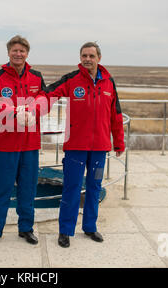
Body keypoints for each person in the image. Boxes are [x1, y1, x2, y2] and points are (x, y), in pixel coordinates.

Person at [41, 42, 125, 248]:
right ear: (80, 58)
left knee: (94, 187)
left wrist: (119, 142)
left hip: (99, 149)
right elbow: (49, 93)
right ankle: (65, 231)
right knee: (72, 188)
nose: (87, 59)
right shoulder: (72, 79)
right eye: (84, 55)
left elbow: (116, 114)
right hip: (76, 147)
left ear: (99, 58)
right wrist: (36, 107)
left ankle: (90, 227)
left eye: (91, 55)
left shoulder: (108, 82)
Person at [0, 35, 47, 246]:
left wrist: (33, 111)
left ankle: (26, 229)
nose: (18, 54)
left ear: (27, 53)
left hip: (30, 144)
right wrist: (11, 113)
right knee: (1, 189)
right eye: (14, 50)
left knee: (27, 189)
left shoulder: (37, 77)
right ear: (9, 52)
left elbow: (44, 99)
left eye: (22, 51)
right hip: (5, 144)